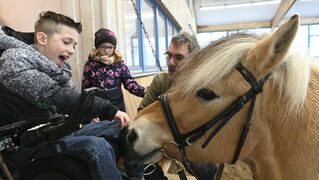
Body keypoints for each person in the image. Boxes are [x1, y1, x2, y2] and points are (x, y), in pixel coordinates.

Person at [0, 11, 137, 180]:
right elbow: (57, 95)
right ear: (42, 39)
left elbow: (73, 97)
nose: (71, 51)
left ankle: (137, 177)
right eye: (67, 42)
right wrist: (107, 109)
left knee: (130, 129)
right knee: (97, 147)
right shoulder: (14, 60)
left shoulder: (58, 69)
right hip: (33, 141)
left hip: (59, 129)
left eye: (74, 45)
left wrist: (88, 114)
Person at [138, 32, 218, 180]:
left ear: (194, 60)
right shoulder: (160, 82)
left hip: (193, 143)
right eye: (169, 55)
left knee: (207, 168)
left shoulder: (205, 86)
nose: (171, 62)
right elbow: (141, 113)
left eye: (179, 57)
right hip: (164, 141)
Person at [82, 28, 146, 112]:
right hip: (98, 109)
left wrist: (143, 92)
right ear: (97, 47)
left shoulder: (119, 63)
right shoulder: (90, 65)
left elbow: (129, 82)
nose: (107, 50)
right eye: (103, 47)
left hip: (118, 108)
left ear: (114, 48)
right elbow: (86, 90)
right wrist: (88, 113)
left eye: (110, 47)